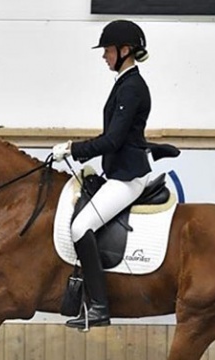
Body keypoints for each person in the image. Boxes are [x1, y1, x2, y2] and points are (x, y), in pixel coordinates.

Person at [52, 19, 152, 330]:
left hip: (128, 178)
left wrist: (72, 148)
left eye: (108, 50)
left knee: (81, 227)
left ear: (125, 50)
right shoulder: (124, 84)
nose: (104, 55)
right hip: (118, 172)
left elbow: (113, 140)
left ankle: (98, 306)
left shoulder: (133, 87)